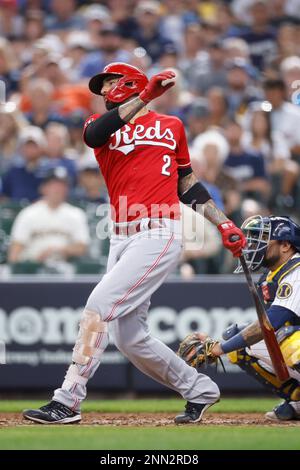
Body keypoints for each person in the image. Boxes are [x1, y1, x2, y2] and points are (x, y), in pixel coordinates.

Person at [23, 62, 245, 425]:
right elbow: (94, 137)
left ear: (128, 82)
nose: (105, 91)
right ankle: (199, 389)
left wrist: (223, 224)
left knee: (98, 306)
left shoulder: (172, 125)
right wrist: (145, 95)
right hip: (122, 235)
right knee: (129, 338)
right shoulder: (102, 127)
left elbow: (186, 183)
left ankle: (67, 400)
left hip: (159, 230)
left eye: (110, 83)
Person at [190, 215, 300, 421]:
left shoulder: (297, 269)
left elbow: (272, 321)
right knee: (238, 342)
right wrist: (224, 343)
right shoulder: (271, 275)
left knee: (292, 341)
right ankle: (297, 399)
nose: (255, 243)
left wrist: (220, 348)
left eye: (264, 237)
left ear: (285, 245)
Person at [8, 167, 89, 264]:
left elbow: (82, 247)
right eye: (54, 185)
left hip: (65, 268)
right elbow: (15, 250)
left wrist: (57, 250)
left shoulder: (76, 214)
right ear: (43, 188)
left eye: (62, 185)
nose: (58, 189)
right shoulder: (28, 213)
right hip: (34, 267)